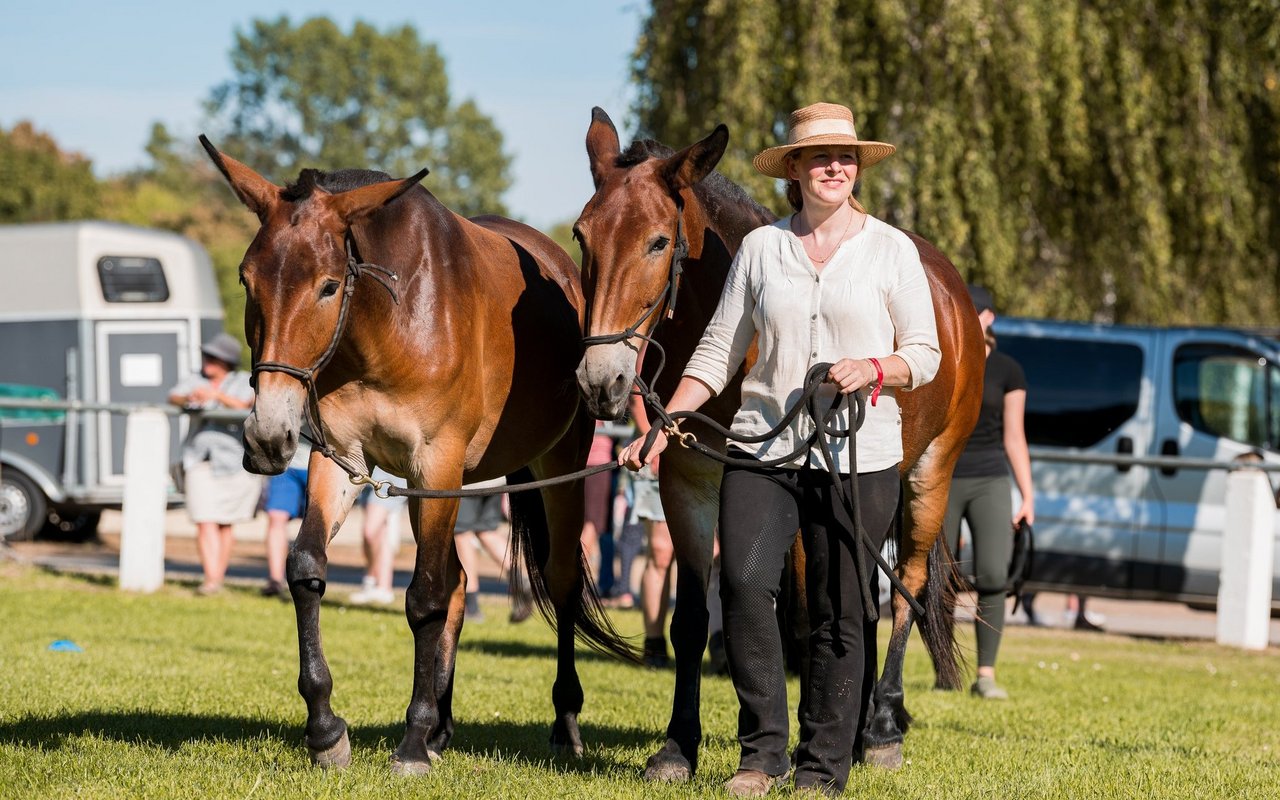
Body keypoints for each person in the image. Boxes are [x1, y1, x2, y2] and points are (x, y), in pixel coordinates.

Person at [621, 102, 939, 797]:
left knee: (839, 606)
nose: (834, 167)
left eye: (845, 157)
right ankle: (761, 754)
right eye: (819, 157)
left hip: (860, 454)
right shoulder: (763, 249)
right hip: (765, 446)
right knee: (744, 586)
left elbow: (926, 352)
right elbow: (717, 349)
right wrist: (666, 419)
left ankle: (823, 765)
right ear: (793, 169)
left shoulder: (891, 251)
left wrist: (876, 369)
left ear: (857, 168)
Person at [942, 286, 1034, 700]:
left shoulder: (1009, 370)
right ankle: (945, 669)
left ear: (988, 317)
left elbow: (1015, 437)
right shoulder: (946, 359)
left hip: (991, 477)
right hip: (945, 476)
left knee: (995, 575)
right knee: (937, 575)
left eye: (973, 311)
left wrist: (1027, 495)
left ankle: (985, 674)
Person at [168, 332, 260, 596]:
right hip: (200, 457)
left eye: (213, 357)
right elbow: (173, 396)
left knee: (224, 521)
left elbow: (248, 405)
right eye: (206, 355)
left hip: (234, 460)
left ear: (226, 361)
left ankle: (216, 577)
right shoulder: (195, 379)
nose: (207, 361)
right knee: (204, 518)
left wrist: (216, 397)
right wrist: (190, 399)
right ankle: (211, 579)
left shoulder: (243, 381)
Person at [628, 393, 675, 668]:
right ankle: (654, 642)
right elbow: (635, 393)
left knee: (714, 555)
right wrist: (650, 438)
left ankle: (717, 640)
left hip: (705, 448)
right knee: (660, 552)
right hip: (653, 448)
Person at [450, 478, 526, 623]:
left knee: (462, 534)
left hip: (468, 479)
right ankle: (521, 580)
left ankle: (471, 607)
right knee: (487, 532)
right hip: (495, 478)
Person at [350, 467, 406, 606]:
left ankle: (371, 580)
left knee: (370, 531)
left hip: (390, 478)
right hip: (369, 476)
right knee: (381, 532)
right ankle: (383, 587)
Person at [261, 442, 309, 598]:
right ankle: (275, 581)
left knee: (315, 525)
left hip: (324, 461)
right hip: (285, 464)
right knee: (276, 517)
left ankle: (309, 581)